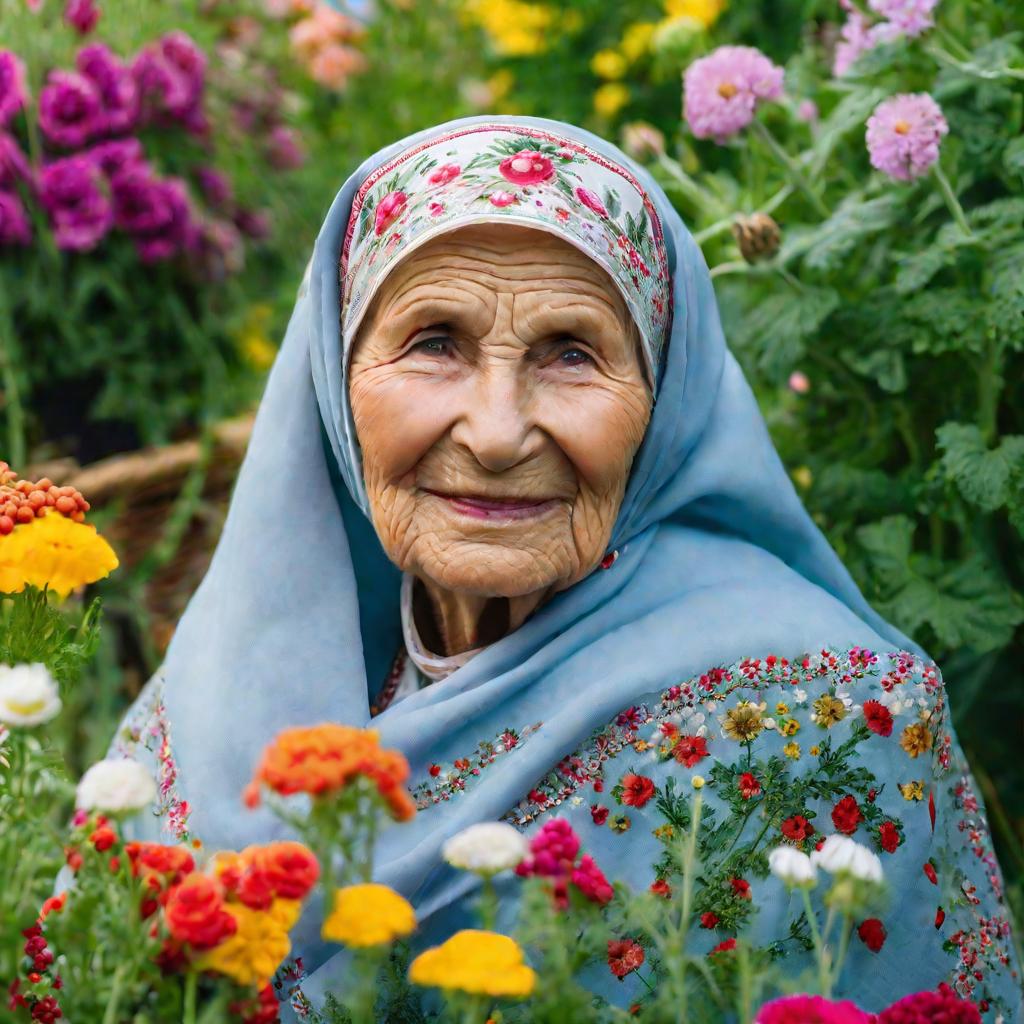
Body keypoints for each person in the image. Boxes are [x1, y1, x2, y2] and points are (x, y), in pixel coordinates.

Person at [112, 115, 1021, 1019]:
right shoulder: (231, 691)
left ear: (663, 401)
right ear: (337, 379)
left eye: (572, 354)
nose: (498, 432)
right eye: (435, 343)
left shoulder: (830, 716)